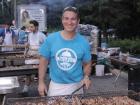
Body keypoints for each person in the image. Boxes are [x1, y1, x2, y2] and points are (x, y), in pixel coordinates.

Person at [38, 6, 92, 96]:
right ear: (62, 20)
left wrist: (86, 76)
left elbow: (87, 63)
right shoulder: (51, 39)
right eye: (66, 18)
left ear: (78, 21)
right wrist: (41, 82)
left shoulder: (84, 42)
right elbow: (43, 61)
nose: (69, 22)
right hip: (56, 87)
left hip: (77, 86)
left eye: (73, 19)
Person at [22, 20, 46, 93]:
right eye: (29, 27)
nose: (30, 28)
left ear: (36, 27)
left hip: (39, 59)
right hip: (30, 58)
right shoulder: (29, 35)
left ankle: (42, 90)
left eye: (32, 27)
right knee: (28, 75)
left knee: (40, 76)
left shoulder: (41, 35)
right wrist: (26, 49)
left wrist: (42, 53)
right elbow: (28, 45)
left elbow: (47, 46)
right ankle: (25, 90)